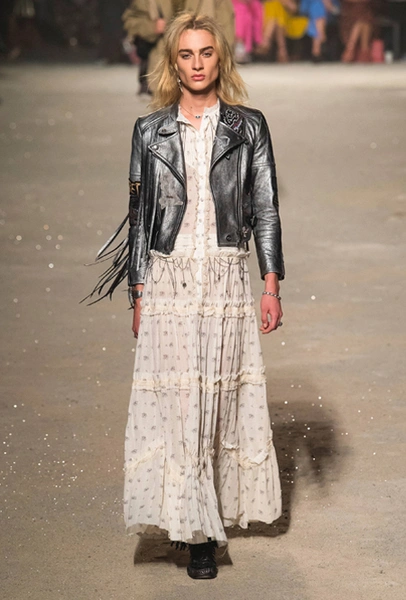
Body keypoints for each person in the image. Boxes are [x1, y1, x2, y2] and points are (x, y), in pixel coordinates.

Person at [87, 12, 284, 580]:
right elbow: (140, 216)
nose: (197, 64)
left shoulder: (248, 127)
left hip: (224, 279)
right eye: (186, 55)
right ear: (172, 64)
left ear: (221, 58)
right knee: (178, 404)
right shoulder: (150, 131)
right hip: (168, 279)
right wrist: (138, 291)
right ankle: (196, 531)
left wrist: (270, 283)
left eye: (206, 53)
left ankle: (200, 514)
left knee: (215, 403)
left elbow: (265, 206)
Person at [122, 0, 235, 92]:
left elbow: (226, 33)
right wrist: (152, 27)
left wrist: (223, 68)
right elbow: (131, 19)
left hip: (205, 77)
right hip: (163, 74)